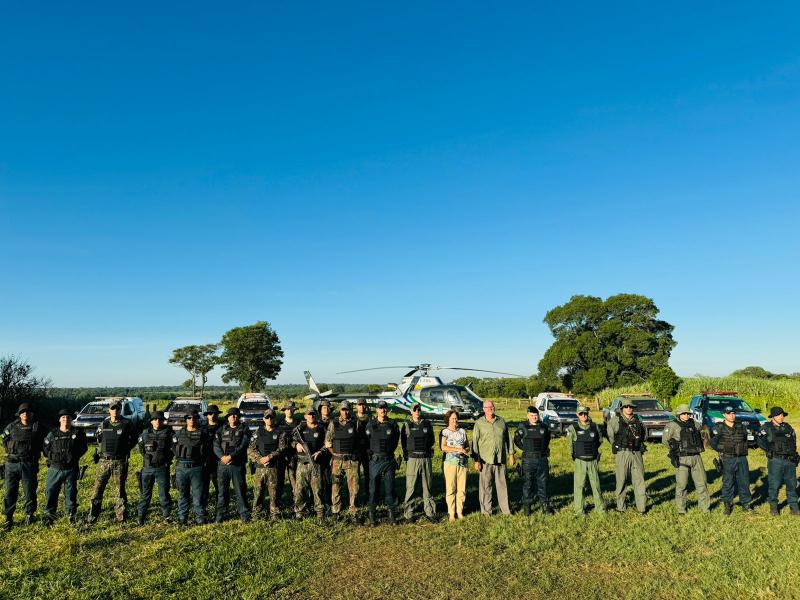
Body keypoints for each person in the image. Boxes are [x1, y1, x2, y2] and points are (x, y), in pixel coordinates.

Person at [88, 402, 137, 524]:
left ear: (120, 410)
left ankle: (121, 517)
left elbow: (134, 439)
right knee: (97, 489)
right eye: (112, 408)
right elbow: (98, 438)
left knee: (120, 490)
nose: (115, 411)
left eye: (117, 408)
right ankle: (93, 515)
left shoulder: (127, 424)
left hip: (119, 461)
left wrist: (124, 450)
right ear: (109, 410)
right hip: (104, 461)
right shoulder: (104, 424)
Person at [2, 403, 47, 529]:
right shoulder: (12, 426)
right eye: (23, 412)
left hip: (29, 464)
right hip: (12, 464)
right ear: (19, 414)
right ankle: (8, 517)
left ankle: (30, 514)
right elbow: (3, 439)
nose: (25, 414)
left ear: (32, 414)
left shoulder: (38, 427)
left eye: (28, 412)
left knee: (30, 491)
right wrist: (10, 449)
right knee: (10, 492)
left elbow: (48, 442)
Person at [42, 408, 88, 525]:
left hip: (71, 468)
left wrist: (74, 456)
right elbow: (45, 449)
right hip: (55, 468)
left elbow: (84, 447)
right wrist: (54, 457)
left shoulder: (77, 433)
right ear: (59, 419)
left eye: (68, 417)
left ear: (71, 420)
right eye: (63, 417)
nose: (65, 419)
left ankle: (71, 515)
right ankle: (49, 515)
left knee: (71, 493)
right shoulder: (52, 434)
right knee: (51, 492)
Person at [662, 404, 709, 514]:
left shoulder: (695, 424)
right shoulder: (672, 425)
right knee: (682, 485)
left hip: (696, 456)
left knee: (702, 482)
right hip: (682, 457)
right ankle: (681, 509)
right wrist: (675, 450)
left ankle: (705, 508)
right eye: (684, 413)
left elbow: (703, 433)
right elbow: (665, 441)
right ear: (678, 414)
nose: (686, 415)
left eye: (688, 413)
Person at [471, 400, 515, 516]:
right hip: (485, 460)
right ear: (483, 409)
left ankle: (506, 510)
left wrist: (511, 454)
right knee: (486, 487)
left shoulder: (501, 421)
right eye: (487, 407)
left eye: (492, 406)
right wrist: (476, 460)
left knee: (503, 486)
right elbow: (474, 442)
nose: (490, 408)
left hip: (500, 459)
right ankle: (486, 511)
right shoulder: (479, 423)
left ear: (494, 407)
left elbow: (508, 439)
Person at [606, 399, 648, 514]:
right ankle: (620, 507)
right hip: (622, 453)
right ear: (622, 408)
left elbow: (644, 435)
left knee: (639, 480)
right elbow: (611, 436)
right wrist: (619, 445)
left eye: (631, 407)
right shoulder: (615, 421)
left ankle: (642, 508)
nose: (629, 408)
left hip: (636, 453)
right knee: (621, 480)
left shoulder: (639, 421)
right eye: (626, 407)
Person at [710, 405, 753, 515]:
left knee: (744, 481)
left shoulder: (741, 426)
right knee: (728, 482)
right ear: (724, 414)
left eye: (733, 413)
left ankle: (746, 504)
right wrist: (723, 450)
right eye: (729, 413)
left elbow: (746, 440)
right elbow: (713, 443)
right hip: (728, 459)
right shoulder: (718, 428)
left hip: (742, 458)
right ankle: (728, 505)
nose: (732, 415)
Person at [757, 406, 799, 516]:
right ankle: (774, 508)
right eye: (779, 415)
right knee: (774, 485)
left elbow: (793, 442)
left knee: (792, 485)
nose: (782, 417)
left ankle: (794, 508)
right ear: (773, 416)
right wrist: (769, 450)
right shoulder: (766, 427)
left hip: (789, 461)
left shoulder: (788, 427)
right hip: (776, 461)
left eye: (783, 415)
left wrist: (794, 456)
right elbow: (760, 441)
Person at [365, 400, 401, 525]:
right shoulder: (370, 424)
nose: (382, 410)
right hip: (375, 460)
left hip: (389, 459)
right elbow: (367, 440)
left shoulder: (393, 424)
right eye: (380, 408)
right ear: (377, 410)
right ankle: (372, 515)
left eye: (384, 408)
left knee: (390, 488)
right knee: (373, 488)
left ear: (387, 410)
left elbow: (396, 440)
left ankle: (391, 515)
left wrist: (389, 452)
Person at [213, 407, 251, 523]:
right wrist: (222, 457)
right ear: (227, 418)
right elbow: (216, 445)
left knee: (240, 490)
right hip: (223, 465)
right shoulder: (221, 429)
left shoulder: (244, 429)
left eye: (235, 415)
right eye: (230, 415)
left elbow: (243, 445)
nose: (233, 417)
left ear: (238, 417)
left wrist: (231, 456)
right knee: (222, 491)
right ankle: (221, 515)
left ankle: (244, 514)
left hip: (237, 465)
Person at [513, 405, 553, 515]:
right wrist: (525, 448)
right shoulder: (523, 426)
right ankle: (527, 507)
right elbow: (516, 440)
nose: (534, 417)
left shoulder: (544, 427)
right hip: (528, 460)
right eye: (532, 415)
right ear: (528, 416)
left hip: (542, 459)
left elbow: (547, 439)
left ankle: (545, 506)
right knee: (528, 483)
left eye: (536, 415)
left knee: (543, 483)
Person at [325, 400, 361, 522]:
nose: (345, 412)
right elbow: (328, 442)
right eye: (343, 409)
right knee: (336, 486)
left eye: (347, 409)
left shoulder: (355, 423)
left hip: (352, 461)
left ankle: (353, 510)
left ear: (350, 410)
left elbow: (360, 441)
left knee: (354, 487)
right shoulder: (333, 423)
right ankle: (336, 511)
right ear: (340, 410)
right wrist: (334, 454)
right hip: (337, 461)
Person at [249, 409, 287, 521]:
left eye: (271, 417)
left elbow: (282, 448)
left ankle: (275, 514)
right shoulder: (257, 432)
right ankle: (256, 514)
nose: (269, 419)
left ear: (274, 419)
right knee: (258, 492)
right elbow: (251, 449)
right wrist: (260, 459)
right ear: (263, 419)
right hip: (260, 468)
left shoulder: (281, 433)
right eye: (267, 417)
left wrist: (270, 457)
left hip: (274, 467)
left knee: (274, 493)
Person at [136, 411, 174, 525]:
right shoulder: (145, 433)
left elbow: (173, 449)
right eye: (155, 419)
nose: (158, 421)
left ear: (163, 421)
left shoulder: (169, 433)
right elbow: (141, 449)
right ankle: (141, 518)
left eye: (160, 419)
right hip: (147, 468)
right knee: (145, 495)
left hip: (162, 468)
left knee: (164, 494)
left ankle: (167, 517)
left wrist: (165, 460)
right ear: (151, 421)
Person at [400, 402, 436, 522]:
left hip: (425, 458)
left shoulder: (427, 424)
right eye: (414, 410)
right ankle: (409, 514)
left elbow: (432, 440)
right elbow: (403, 443)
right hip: (413, 459)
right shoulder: (406, 425)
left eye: (419, 409)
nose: (417, 412)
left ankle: (430, 512)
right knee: (411, 487)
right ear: (411, 411)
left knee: (428, 486)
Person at [172, 411, 210, 525]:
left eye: (194, 418)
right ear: (186, 420)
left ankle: (200, 518)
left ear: (197, 419)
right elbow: (173, 448)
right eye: (189, 418)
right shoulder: (178, 434)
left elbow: (208, 450)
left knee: (198, 495)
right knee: (183, 494)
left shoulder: (203, 434)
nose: (192, 420)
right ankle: (182, 518)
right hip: (181, 468)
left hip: (196, 468)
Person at [566, 406, 605, 515]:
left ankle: (600, 508)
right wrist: (574, 456)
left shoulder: (595, 426)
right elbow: (570, 444)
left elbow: (600, 440)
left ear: (588, 413)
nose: (583, 415)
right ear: (577, 414)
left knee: (596, 485)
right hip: (580, 461)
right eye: (581, 413)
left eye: (585, 413)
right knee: (579, 486)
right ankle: (579, 510)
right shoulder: (572, 428)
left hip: (592, 460)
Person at [293, 408, 326, 520]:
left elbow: (327, 443)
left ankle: (320, 512)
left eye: (312, 414)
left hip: (316, 464)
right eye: (309, 415)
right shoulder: (299, 429)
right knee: (300, 489)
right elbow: (291, 440)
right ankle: (300, 512)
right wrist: (296, 444)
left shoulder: (321, 429)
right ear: (305, 416)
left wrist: (321, 451)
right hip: (302, 464)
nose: (311, 416)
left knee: (318, 489)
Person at [440, 409, 469, 521]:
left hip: (462, 464)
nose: (455, 420)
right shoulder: (445, 432)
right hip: (450, 464)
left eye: (456, 418)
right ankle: (451, 513)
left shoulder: (462, 431)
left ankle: (460, 512)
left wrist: (465, 450)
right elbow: (443, 447)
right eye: (452, 418)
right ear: (448, 419)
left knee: (461, 489)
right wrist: (457, 449)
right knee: (451, 489)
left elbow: (467, 446)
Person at [278, 401, 302, 508]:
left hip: (295, 456)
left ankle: (296, 503)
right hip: (281, 456)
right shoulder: (279, 424)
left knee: (295, 481)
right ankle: (278, 503)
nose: (289, 411)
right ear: (284, 411)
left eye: (291, 409)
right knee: (279, 481)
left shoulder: (299, 423)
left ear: (294, 410)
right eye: (287, 409)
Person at [201, 404, 223, 510]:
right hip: (205, 461)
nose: (212, 415)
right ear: (207, 415)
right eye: (210, 414)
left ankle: (220, 508)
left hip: (219, 461)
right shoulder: (202, 428)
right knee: (204, 487)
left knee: (219, 487)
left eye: (214, 413)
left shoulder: (223, 427)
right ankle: (204, 508)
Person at [354, 398, 371, 503]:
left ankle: (368, 494)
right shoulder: (352, 418)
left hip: (367, 449)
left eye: (363, 404)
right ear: (356, 406)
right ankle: (355, 497)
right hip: (356, 450)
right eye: (359, 405)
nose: (361, 406)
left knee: (368, 474)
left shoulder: (371, 418)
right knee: (355, 475)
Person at [317, 399, 333, 510]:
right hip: (319, 454)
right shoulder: (316, 422)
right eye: (323, 407)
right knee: (318, 479)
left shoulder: (334, 422)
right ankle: (318, 501)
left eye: (327, 407)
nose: (326, 409)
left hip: (331, 454)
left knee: (329, 479)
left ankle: (329, 501)